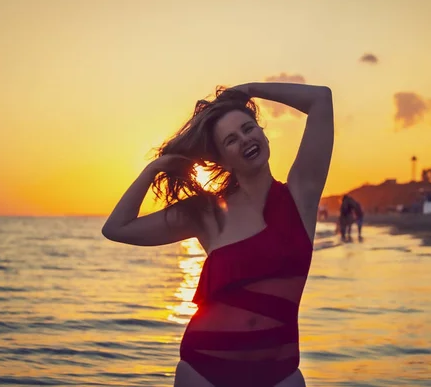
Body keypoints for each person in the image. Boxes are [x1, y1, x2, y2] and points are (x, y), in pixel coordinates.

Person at [102, 82, 334, 387]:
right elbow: (118, 228)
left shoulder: (300, 195)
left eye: (249, 128)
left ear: (263, 133)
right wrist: (155, 169)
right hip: (204, 372)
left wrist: (248, 90)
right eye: (231, 140)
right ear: (222, 161)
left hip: (280, 374)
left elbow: (321, 98)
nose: (245, 140)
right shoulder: (208, 213)